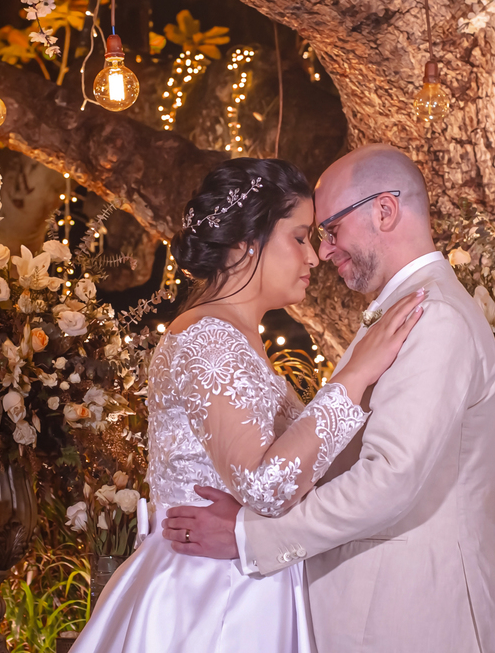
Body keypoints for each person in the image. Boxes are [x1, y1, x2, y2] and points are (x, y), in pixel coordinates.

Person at [162, 145, 495, 652]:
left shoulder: (432, 316)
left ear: (385, 210)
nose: (322, 253)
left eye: (329, 231)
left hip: (411, 614)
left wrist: (249, 538)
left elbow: (389, 478)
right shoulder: (399, 312)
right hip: (341, 608)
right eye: (309, 236)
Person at [69, 157, 425, 653]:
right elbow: (266, 485)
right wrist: (354, 375)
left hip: (249, 578)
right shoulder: (209, 338)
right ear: (244, 243)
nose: (315, 257)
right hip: (213, 597)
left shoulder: (238, 338)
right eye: (299, 237)